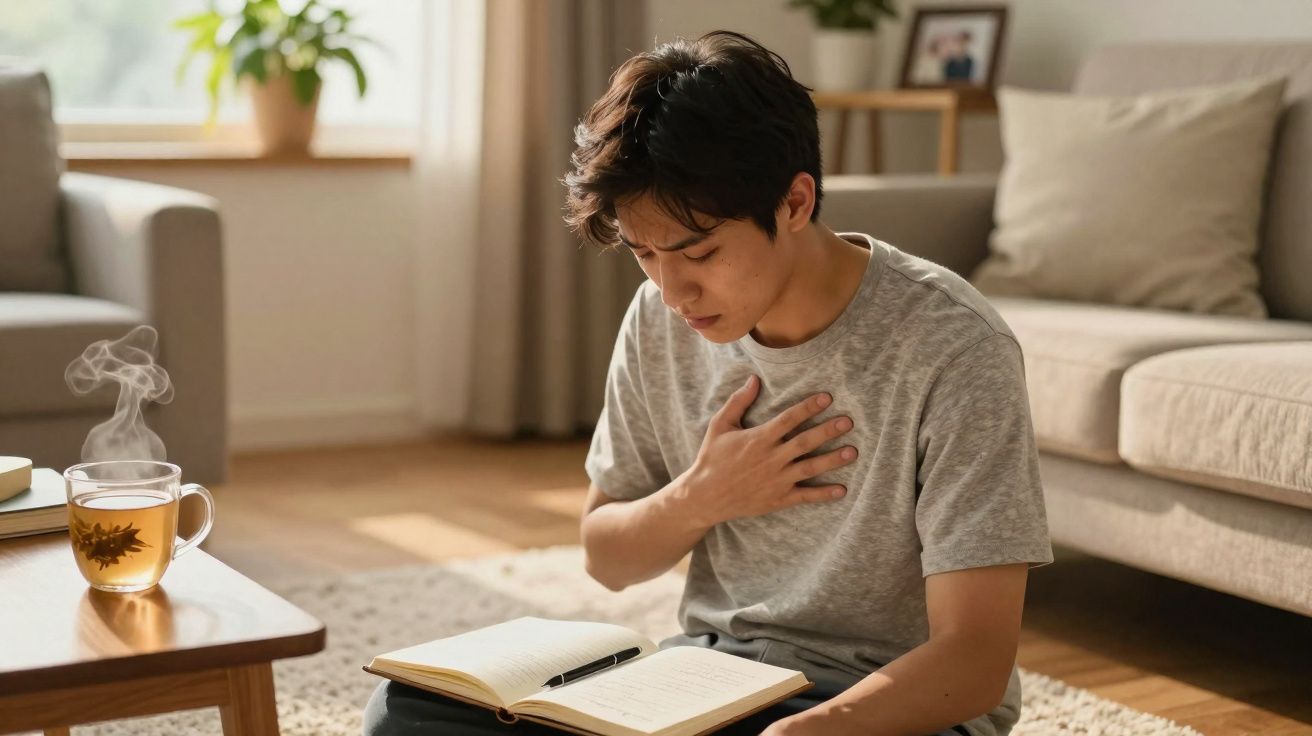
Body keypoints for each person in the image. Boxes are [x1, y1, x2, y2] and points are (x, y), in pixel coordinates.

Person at [363, 30, 1052, 736]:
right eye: (643, 254)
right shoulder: (660, 319)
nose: (671, 291)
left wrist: (807, 731)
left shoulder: (955, 346)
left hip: (879, 708)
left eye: (699, 252)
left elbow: (975, 661)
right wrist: (702, 496)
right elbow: (607, 556)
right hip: (707, 681)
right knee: (406, 712)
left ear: (794, 202)